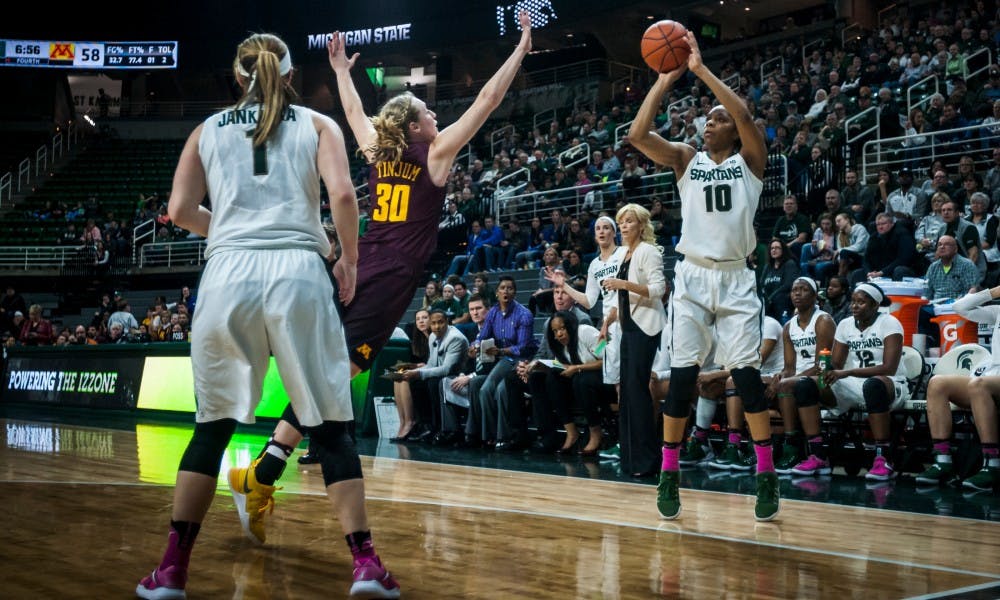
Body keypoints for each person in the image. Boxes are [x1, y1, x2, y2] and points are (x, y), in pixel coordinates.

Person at [228, 11, 534, 548]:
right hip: (387, 280)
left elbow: (352, 113)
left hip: (353, 263)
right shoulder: (435, 154)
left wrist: (343, 72)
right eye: (427, 112)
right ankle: (261, 474)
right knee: (332, 376)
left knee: (326, 373)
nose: (436, 115)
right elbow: (486, 102)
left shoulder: (378, 151)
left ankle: (261, 472)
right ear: (415, 127)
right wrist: (519, 50)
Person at [134, 32, 400, 599]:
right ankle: (366, 565)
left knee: (211, 429)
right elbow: (345, 198)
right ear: (289, 73)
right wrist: (348, 261)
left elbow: (179, 210)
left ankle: (171, 570)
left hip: (227, 275)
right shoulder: (316, 123)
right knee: (329, 424)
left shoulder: (205, 130)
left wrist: (229, 230)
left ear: (238, 76)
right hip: (298, 272)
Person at [628, 30, 778, 522]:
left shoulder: (750, 162)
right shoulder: (686, 161)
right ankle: (669, 476)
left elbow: (743, 115)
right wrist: (665, 80)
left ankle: (765, 474)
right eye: (705, 121)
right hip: (691, 277)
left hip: (736, 279)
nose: (706, 126)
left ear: (731, 132)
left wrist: (699, 69)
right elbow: (637, 134)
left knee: (748, 381)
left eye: (714, 121)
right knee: (682, 380)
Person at [789, 283, 910, 481]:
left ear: (875, 305)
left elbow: (889, 367)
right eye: (853, 301)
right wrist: (826, 371)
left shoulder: (890, 323)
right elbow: (836, 363)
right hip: (855, 383)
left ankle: (883, 458)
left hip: (891, 383)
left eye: (861, 302)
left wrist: (847, 371)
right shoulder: (845, 325)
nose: (854, 306)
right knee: (806, 385)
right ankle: (818, 454)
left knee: (874, 385)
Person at [598, 203, 666, 478]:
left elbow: (658, 289)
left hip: (645, 327)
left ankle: (647, 460)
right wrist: (606, 323)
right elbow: (619, 298)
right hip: (627, 328)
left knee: (637, 393)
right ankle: (630, 458)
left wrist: (623, 284)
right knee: (627, 393)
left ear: (641, 225)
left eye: (629, 221)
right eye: (621, 222)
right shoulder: (625, 253)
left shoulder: (649, 251)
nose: (624, 226)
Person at [915, 286, 1000, 491]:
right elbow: (959, 307)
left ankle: (992, 464)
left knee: (978, 384)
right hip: (992, 378)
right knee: (938, 384)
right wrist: (993, 293)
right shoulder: (998, 312)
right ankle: (943, 460)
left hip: (987, 382)